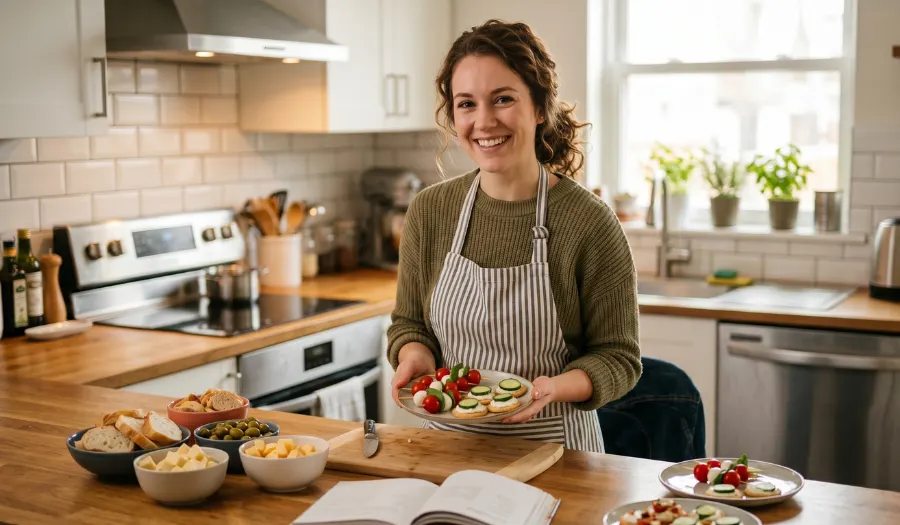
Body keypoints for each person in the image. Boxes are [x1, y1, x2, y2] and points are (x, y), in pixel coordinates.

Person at [386, 19, 641, 453]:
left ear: (540, 108)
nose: (483, 122)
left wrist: (553, 388)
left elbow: (618, 358)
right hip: (446, 455)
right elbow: (409, 324)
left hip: (557, 455)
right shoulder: (430, 211)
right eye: (466, 104)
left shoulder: (589, 222)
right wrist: (414, 355)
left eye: (502, 99)